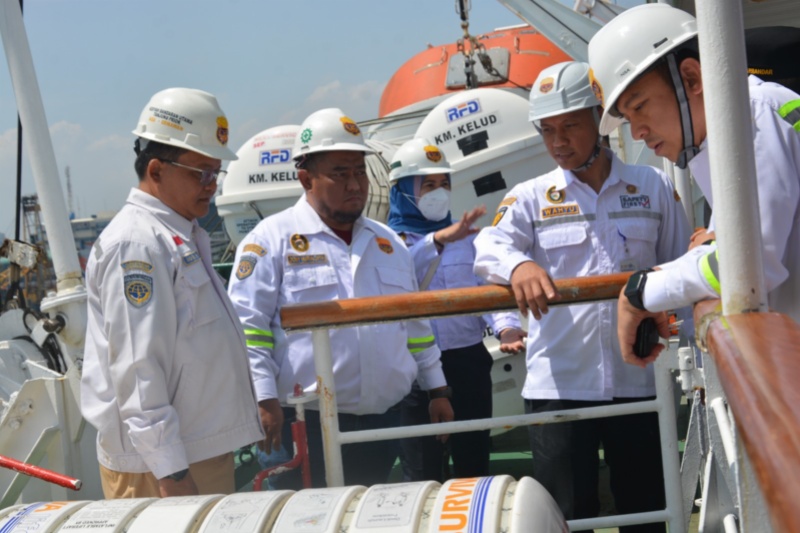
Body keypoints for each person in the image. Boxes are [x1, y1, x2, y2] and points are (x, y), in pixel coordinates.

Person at [473, 61, 690, 531]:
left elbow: (681, 266)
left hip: (640, 381)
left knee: (647, 511)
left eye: (570, 125)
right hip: (558, 387)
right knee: (564, 519)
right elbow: (488, 246)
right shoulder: (530, 196)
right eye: (547, 130)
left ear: (600, 120)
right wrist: (519, 265)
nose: (558, 142)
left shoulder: (652, 186)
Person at [227, 108, 454, 489]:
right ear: (305, 178)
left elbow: (414, 324)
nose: (355, 184)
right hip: (302, 421)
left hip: (383, 422)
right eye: (340, 173)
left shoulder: (388, 244)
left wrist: (438, 389)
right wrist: (265, 399)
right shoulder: (271, 240)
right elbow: (249, 328)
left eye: (359, 171)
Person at [587, 4, 800, 367]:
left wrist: (642, 291)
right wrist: (656, 277)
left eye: (639, 107)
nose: (636, 132)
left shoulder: (752, 118)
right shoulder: (728, 134)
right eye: (627, 117)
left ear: (691, 78)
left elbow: (747, 265)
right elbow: (724, 250)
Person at [80, 88, 264, 499]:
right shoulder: (137, 246)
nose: (211, 185)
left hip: (192, 452)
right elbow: (138, 369)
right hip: (162, 468)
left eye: (216, 173)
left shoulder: (176, 234)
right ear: (157, 170)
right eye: (200, 173)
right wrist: (172, 470)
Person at [386, 138, 526, 482]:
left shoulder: (470, 238)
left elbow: (486, 290)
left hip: (468, 362)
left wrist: (506, 327)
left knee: (473, 459)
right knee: (422, 467)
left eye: (444, 184)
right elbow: (404, 274)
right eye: (428, 185)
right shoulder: (386, 242)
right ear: (403, 191)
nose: (439, 192)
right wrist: (437, 241)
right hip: (415, 371)